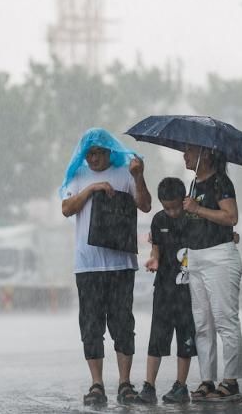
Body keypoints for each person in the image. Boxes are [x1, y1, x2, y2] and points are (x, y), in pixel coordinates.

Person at [60, 128, 152, 406]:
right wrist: (91, 189)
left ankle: (125, 383)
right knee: (91, 325)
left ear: (109, 151)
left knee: (123, 324)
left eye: (98, 153)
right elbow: (66, 208)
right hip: (87, 266)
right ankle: (96, 384)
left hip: (120, 264)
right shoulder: (78, 176)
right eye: (88, 154)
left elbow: (145, 205)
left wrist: (139, 175)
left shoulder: (126, 173)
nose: (92, 159)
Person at [181, 144, 242, 403]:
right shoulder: (194, 183)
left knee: (224, 320)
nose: (184, 155)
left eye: (189, 151)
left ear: (205, 155)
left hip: (219, 258)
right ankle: (207, 380)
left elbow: (231, 217)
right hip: (196, 257)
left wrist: (198, 210)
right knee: (202, 324)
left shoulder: (220, 182)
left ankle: (230, 382)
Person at [138, 177, 197, 404]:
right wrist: (154, 260)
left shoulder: (193, 219)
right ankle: (149, 386)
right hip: (163, 288)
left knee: (186, 338)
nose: (171, 212)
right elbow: (156, 249)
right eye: (166, 207)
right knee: (157, 337)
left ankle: (181, 386)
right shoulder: (158, 220)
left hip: (188, 290)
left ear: (184, 200)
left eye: (175, 206)